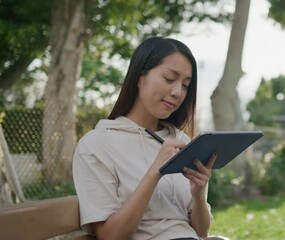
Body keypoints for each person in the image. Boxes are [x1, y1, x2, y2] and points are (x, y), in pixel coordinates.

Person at [72, 36, 217, 240]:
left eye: (185, 85)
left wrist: (198, 193)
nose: (177, 92)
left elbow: (202, 233)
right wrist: (154, 173)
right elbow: (109, 237)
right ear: (140, 78)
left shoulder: (182, 141)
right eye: (169, 79)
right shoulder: (96, 145)